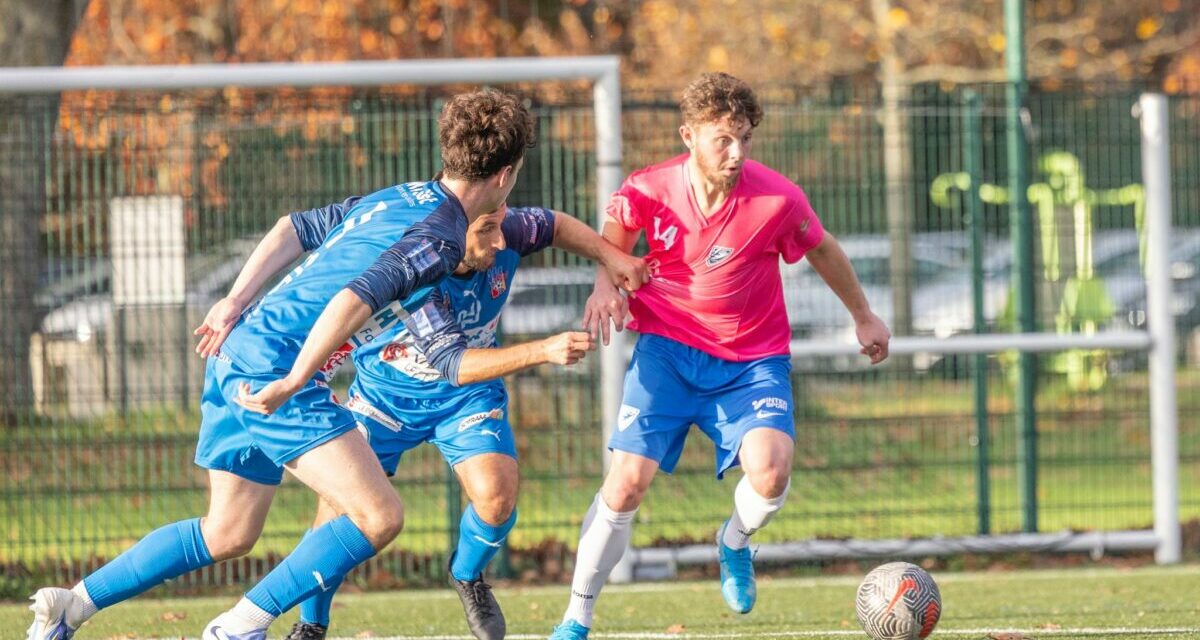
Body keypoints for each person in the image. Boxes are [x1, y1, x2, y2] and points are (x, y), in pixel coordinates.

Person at [26, 89, 536, 640]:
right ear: (505, 175)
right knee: (378, 516)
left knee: (227, 532)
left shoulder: (398, 196)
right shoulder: (438, 236)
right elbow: (352, 301)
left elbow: (292, 227)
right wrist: (294, 379)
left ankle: (72, 606)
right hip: (275, 368)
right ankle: (239, 626)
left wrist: (234, 301)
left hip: (238, 350)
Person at [547, 73, 892, 640]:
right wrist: (605, 286)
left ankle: (733, 543)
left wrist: (863, 315)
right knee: (626, 482)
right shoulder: (645, 190)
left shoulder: (777, 199)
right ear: (689, 135)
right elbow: (611, 249)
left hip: (752, 361)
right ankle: (576, 616)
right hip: (667, 356)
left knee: (773, 470)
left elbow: (823, 249)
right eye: (722, 140)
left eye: (745, 139)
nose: (736, 154)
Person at [276, 204, 645, 640]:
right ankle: (311, 622)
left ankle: (467, 575)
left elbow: (558, 225)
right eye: (487, 231)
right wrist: (543, 350)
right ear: (451, 232)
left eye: (500, 227)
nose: (502, 242)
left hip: (466, 397)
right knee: (339, 510)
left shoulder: (504, 227)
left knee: (497, 495)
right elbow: (454, 363)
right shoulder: (416, 269)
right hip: (385, 399)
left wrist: (611, 258)